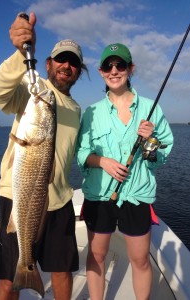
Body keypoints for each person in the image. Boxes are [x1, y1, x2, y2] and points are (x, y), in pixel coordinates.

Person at [0, 12, 88, 300]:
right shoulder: (34, 91)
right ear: (49, 64)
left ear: (79, 71)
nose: (66, 66)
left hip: (59, 200)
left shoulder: (76, 108)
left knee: (62, 271)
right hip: (18, 196)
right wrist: (21, 53)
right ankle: (24, 270)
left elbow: (73, 150)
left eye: (73, 62)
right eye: (60, 59)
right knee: (8, 278)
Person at [76, 43, 173, 300]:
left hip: (137, 195)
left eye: (120, 65)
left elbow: (159, 157)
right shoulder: (91, 113)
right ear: (100, 71)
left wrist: (150, 142)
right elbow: (81, 152)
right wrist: (102, 162)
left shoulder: (151, 109)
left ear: (131, 69)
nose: (114, 70)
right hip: (100, 195)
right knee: (96, 256)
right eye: (109, 65)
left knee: (140, 259)